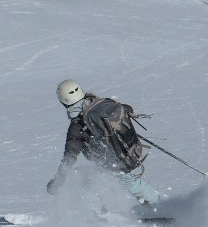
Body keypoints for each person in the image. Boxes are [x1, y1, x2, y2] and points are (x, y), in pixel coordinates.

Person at [46, 79, 161, 208]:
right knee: (126, 178)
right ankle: (160, 204)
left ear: (63, 101)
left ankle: (99, 215)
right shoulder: (101, 103)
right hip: (131, 150)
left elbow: (69, 158)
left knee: (79, 178)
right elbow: (128, 108)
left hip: (112, 162)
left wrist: (57, 183)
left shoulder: (78, 125)